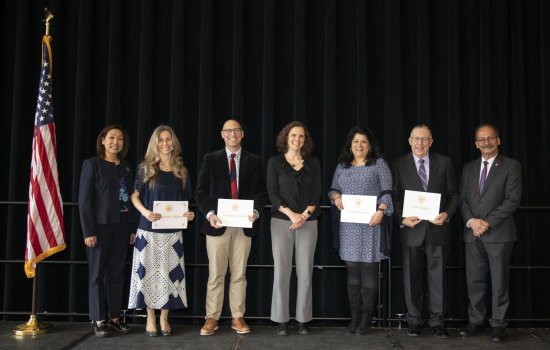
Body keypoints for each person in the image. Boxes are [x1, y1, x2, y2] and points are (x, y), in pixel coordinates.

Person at [195, 119, 268, 336]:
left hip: (244, 227)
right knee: (216, 274)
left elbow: (261, 193)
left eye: (236, 130)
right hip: (217, 225)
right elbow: (200, 192)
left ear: (243, 134)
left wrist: (255, 212)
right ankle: (212, 318)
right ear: (222, 134)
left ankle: (237, 316)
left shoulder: (254, 161)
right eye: (228, 130)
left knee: (239, 274)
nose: (232, 134)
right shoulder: (210, 159)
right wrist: (210, 214)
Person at [128, 125, 195, 337]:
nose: (165, 144)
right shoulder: (144, 168)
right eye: (161, 140)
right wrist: (145, 212)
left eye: (168, 139)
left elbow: (185, 203)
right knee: (148, 274)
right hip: (148, 230)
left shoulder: (181, 171)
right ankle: (150, 317)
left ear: (174, 143)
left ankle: (164, 318)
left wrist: (189, 215)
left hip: (173, 233)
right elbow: (134, 196)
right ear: (155, 144)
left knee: (169, 274)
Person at [392, 124, 459, 338]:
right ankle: (414, 320)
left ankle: (438, 321)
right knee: (411, 278)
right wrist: (402, 219)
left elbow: (454, 195)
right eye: (416, 139)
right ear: (409, 141)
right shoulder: (398, 164)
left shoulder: (445, 162)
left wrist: (446, 214)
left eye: (425, 139)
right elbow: (393, 197)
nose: (420, 143)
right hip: (411, 231)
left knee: (437, 277)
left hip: (437, 230)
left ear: (431, 142)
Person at [458, 123, 521, 342]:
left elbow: (512, 200)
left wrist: (486, 222)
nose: (486, 142)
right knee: (474, 280)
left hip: (499, 234)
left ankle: (498, 324)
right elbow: (463, 200)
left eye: (490, 138)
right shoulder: (468, 168)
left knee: (499, 281)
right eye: (481, 139)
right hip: (472, 234)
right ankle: (476, 321)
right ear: (476, 144)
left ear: (498, 140)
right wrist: (471, 222)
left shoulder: (511, 166)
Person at [328, 126, 393, 335]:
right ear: (350, 144)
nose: (359, 145)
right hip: (348, 226)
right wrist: (336, 197)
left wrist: (381, 211)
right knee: (352, 271)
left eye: (364, 142)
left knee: (369, 271)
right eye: (356, 141)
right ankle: (354, 316)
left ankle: (366, 318)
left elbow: (388, 192)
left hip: (371, 225)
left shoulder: (379, 164)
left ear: (370, 145)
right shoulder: (342, 166)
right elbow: (333, 189)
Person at [79, 124, 136, 337]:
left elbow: (131, 199)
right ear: (102, 140)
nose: (115, 142)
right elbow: (84, 200)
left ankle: (114, 316)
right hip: (99, 228)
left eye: (120, 139)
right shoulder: (92, 164)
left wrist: (132, 228)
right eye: (111, 138)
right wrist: (88, 231)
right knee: (96, 275)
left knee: (117, 273)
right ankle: (99, 319)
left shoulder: (127, 168)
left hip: (122, 227)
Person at [267, 121, 321, 336]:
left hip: (308, 222)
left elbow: (317, 193)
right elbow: (272, 193)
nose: (297, 139)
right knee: (281, 272)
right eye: (293, 136)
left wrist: (304, 215)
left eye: (301, 136)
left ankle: (303, 319)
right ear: (286, 138)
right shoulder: (275, 162)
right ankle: (281, 320)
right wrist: (291, 214)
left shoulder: (313, 163)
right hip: (282, 221)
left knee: (305, 272)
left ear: (305, 139)